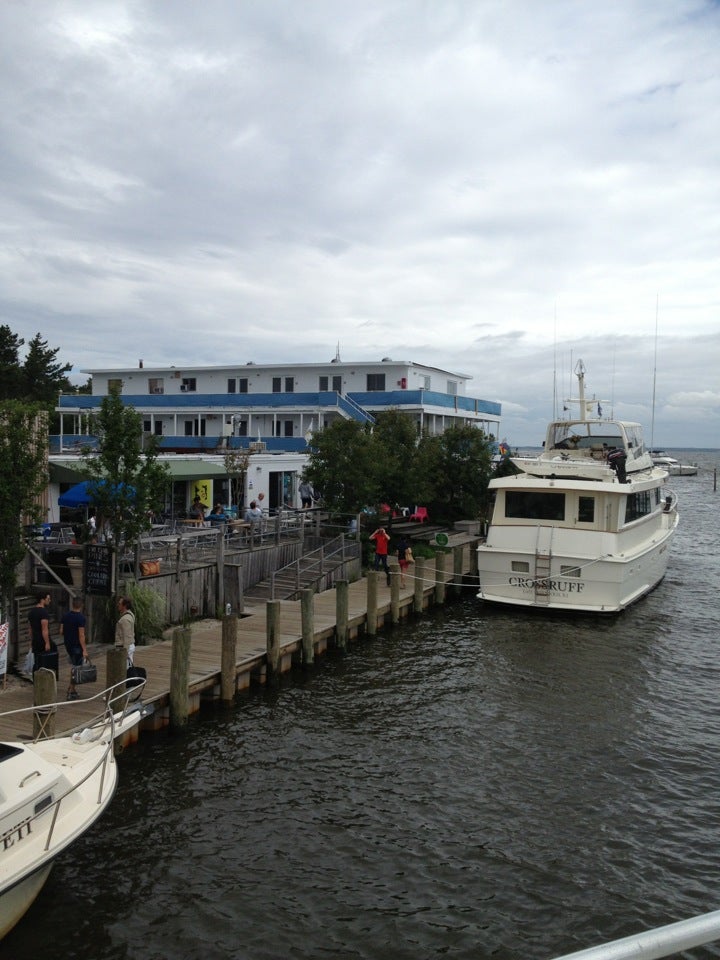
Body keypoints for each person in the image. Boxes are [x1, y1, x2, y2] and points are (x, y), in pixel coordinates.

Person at [60, 596, 88, 700]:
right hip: (77, 646)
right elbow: (81, 635)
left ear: (72, 604)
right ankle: (71, 690)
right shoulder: (81, 618)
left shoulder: (65, 616)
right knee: (76, 668)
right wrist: (84, 649)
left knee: (74, 666)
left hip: (68, 644)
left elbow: (61, 631)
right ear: (81, 605)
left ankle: (72, 688)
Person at [27, 592, 54, 674]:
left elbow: (30, 629)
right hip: (42, 641)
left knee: (37, 661)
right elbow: (44, 629)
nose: (49, 600)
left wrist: (31, 640)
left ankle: (36, 678)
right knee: (45, 661)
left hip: (35, 639)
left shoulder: (31, 612)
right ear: (42, 600)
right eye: (48, 599)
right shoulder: (43, 613)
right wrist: (47, 642)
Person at [115, 596, 136, 668]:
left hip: (125, 647)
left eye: (120, 603)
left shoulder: (125, 619)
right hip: (128, 646)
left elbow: (127, 636)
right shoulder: (130, 615)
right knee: (127, 669)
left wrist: (125, 652)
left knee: (124, 669)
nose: (118, 605)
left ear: (125, 606)